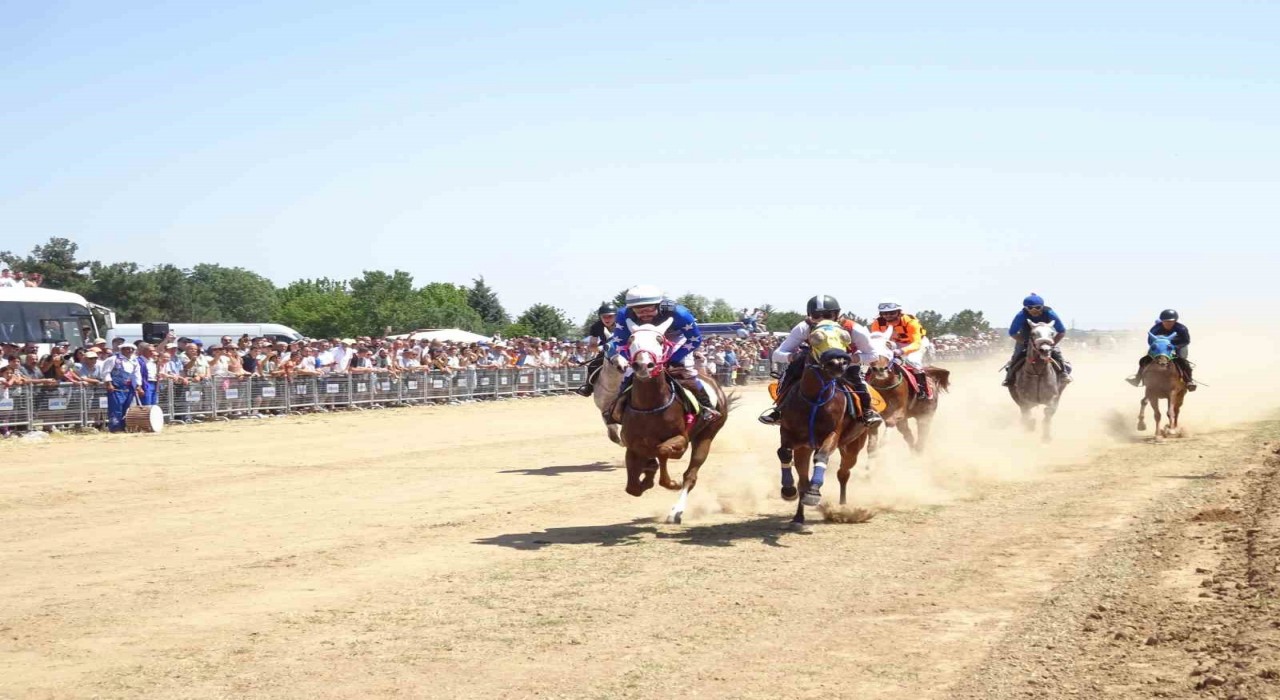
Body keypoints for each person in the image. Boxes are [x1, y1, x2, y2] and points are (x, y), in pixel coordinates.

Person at [758, 294, 883, 426]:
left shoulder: (854, 329)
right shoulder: (803, 327)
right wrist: (793, 357)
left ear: (837, 314)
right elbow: (778, 354)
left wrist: (851, 359)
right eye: (816, 316)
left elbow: (873, 355)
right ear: (809, 315)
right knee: (789, 375)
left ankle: (867, 411)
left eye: (827, 315)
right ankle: (779, 410)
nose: (822, 319)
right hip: (813, 366)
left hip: (845, 365)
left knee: (858, 381)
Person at [605, 285, 720, 422]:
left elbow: (695, 339)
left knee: (686, 371)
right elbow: (620, 342)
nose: (645, 315)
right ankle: (617, 408)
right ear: (631, 309)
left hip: (675, 338)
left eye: (649, 310)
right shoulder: (623, 315)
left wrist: (673, 359)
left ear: (659, 305)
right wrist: (632, 359)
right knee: (629, 373)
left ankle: (706, 407)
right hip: (644, 341)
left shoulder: (680, 314)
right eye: (639, 312)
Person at [1002, 293, 1072, 387]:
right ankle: (1009, 378)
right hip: (1026, 336)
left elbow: (1062, 331)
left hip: (1046, 337)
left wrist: (1052, 344)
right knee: (1017, 355)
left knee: (1057, 353)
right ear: (1026, 308)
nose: (1034, 310)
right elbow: (1012, 332)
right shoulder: (1021, 315)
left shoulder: (1050, 313)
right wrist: (1024, 342)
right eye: (1030, 308)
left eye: (1038, 307)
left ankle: (1064, 373)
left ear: (1042, 307)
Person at [868, 300, 931, 402]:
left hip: (915, 343)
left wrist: (902, 351)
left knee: (913, 361)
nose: (888, 316)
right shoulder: (877, 323)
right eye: (885, 313)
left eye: (892, 313)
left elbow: (916, 343)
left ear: (899, 312)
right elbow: (878, 341)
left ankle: (922, 390)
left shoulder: (910, 321)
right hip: (894, 343)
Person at [1127, 309, 1195, 391]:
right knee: (1144, 360)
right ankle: (1137, 379)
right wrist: (1157, 348)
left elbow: (1186, 341)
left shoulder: (1182, 329)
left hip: (1179, 347)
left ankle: (1189, 381)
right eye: (1165, 321)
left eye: (1171, 322)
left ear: (1175, 321)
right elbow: (1150, 341)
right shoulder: (1155, 329)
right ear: (1161, 321)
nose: (1168, 323)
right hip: (1160, 348)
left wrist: (1174, 347)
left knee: (1183, 362)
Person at [573, 302, 620, 397]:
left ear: (616, 316)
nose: (607, 319)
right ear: (600, 317)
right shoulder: (596, 327)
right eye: (604, 317)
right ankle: (588, 387)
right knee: (593, 366)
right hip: (606, 350)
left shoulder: (623, 324)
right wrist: (600, 348)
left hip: (625, 350)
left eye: (610, 316)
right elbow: (592, 345)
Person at [99, 343, 143, 432]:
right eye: (127, 349)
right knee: (116, 408)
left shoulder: (135, 361)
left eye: (131, 349)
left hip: (128, 387)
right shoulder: (113, 359)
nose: (129, 351)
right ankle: (115, 427)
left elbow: (136, 374)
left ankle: (125, 426)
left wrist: (138, 385)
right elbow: (105, 372)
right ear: (122, 350)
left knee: (127, 408)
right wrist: (109, 383)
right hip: (116, 387)